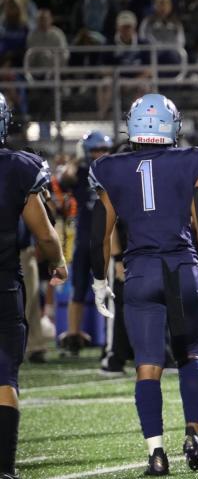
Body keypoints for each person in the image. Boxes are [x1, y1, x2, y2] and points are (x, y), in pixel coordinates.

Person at [89, 94, 198, 475]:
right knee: (190, 357)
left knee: (147, 365)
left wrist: (99, 279)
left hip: (141, 271)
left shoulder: (109, 168)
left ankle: (157, 453)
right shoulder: (193, 159)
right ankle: (192, 435)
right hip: (182, 269)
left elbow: (100, 233)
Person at [0, 94, 68, 479]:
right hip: (2, 282)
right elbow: (44, 233)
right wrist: (57, 262)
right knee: (4, 375)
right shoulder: (19, 166)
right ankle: (3, 472)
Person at [57, 131, 113, 353]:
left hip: (107, 241)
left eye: (102, 149)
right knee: (78, 289)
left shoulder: (113, 171)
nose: (99, 153)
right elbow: (64, 180)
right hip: (83, 241)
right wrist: (76, 158)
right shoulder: (80, 173)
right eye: (95, 149)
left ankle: (111, 338)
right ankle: (73, 334)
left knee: (109, 291)